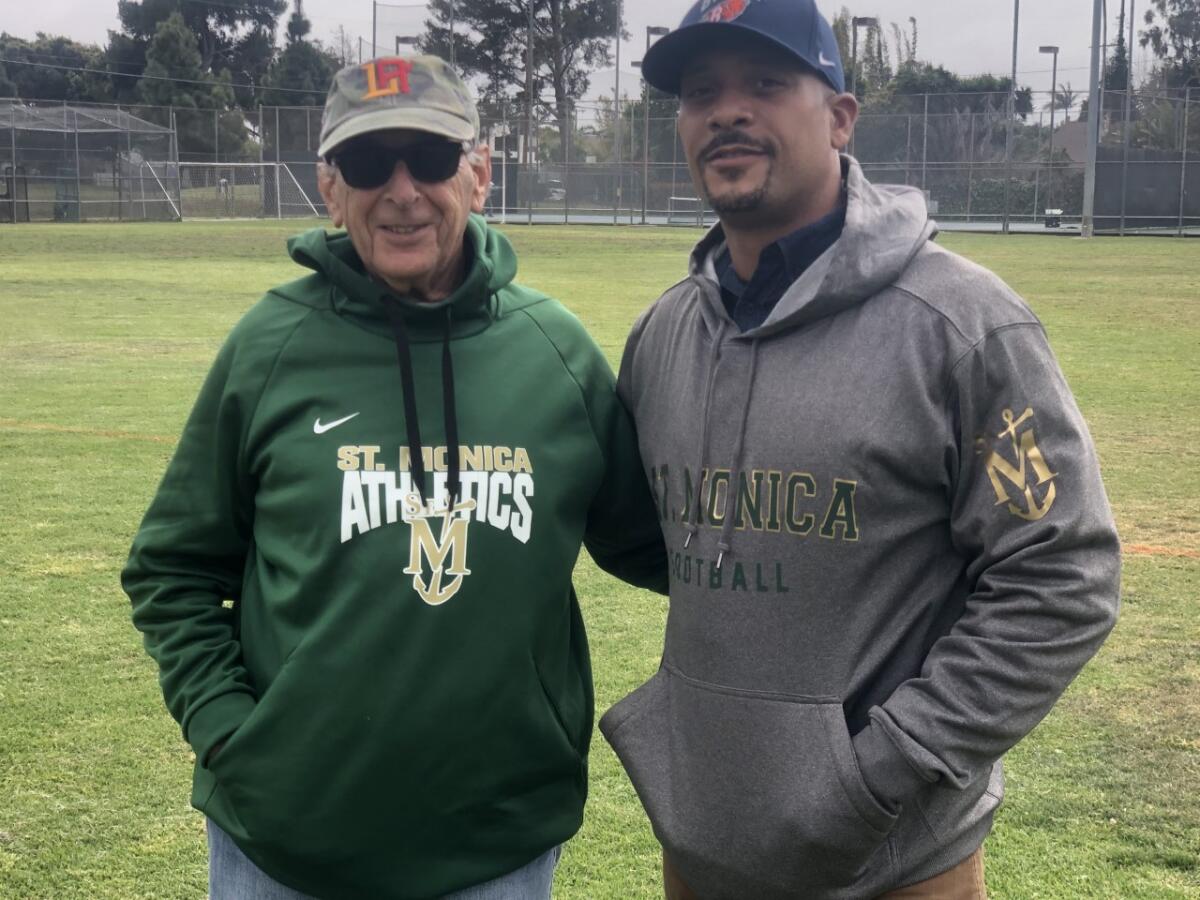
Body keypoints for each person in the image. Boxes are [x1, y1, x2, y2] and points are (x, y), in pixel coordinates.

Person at [598, 2, 1122, 898]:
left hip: (893, 860)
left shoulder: (961, 325)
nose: (728, 112)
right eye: (701, 92)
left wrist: (878, 767)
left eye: (766, 84)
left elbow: (1063, 576)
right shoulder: (664, 333)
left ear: (840, 118)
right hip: (701, 847)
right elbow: (649, 536)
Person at [122, 54, 666, 900]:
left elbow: (659, 545)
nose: (403, 190)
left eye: (432, 157)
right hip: (282, 847)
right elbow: (173, 568)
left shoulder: (555, 352)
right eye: (371, 164)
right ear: (331, 189)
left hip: (496, 843)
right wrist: (229, 734)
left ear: (479, 175)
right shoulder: (270, 346)